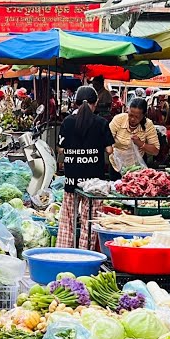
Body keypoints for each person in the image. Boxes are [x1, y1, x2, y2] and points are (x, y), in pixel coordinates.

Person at [57, 86, 114, 251]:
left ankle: (64, 251)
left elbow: (61, 149)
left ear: (75, 104)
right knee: (90, 219)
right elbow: (109, 150)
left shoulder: (67, 122)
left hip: (72, 177)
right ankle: (85, 253)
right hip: (94, 182)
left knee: (68, 218)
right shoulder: (101, 123)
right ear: (95, 104)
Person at [109, 97, 160, 173]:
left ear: (143, 116)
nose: (132, 119)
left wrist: (139, 143)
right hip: (116, 164)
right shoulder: (119, 119)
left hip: (137, 167)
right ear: (128, 110)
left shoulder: (148, 124)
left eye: (137, 117)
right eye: (131, 115)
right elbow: (107, 139)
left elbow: (155, 151)